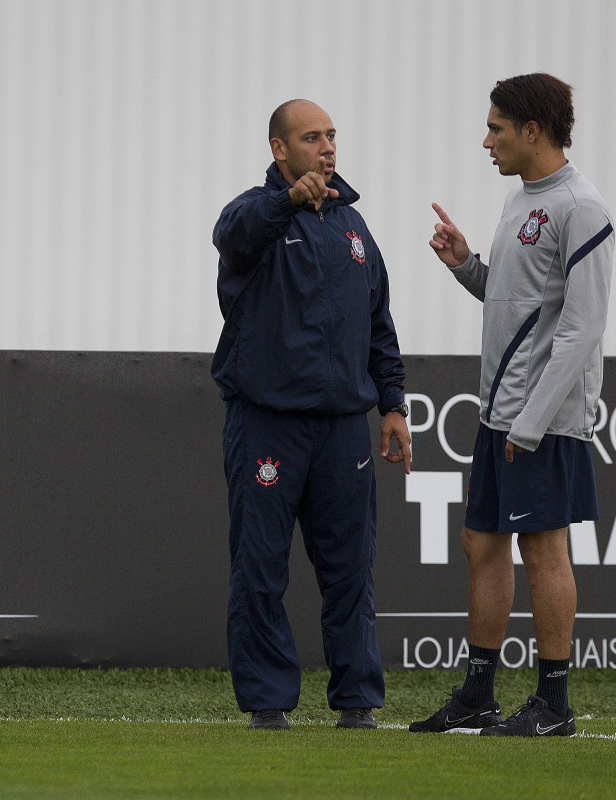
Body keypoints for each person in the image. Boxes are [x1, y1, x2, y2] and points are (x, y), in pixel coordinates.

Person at [412, 73, 614, 737]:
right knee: (481, 542)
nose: (486, 140)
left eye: (496, 127)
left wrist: (532, 422)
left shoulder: (582, 206)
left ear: (533, 130)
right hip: (503, 410)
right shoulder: (521, 200)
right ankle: (477, 695)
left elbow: (582, 328)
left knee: (542, 549)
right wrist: (468, 266)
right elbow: (517, 300)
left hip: (545, 418)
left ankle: (553, 706)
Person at [212, 99, 412, 731]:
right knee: (261, 566)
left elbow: (378, 323)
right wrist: (286, 202)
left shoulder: (355, 227)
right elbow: (232, 235)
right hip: (268, 421)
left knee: (351, 568)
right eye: (311, 137)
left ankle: (358, 702)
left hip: (344, 425)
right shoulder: (256, 214)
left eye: (331, 136)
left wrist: (394, 404)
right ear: (279, 149)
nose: (327, 147)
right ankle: (269, 703)